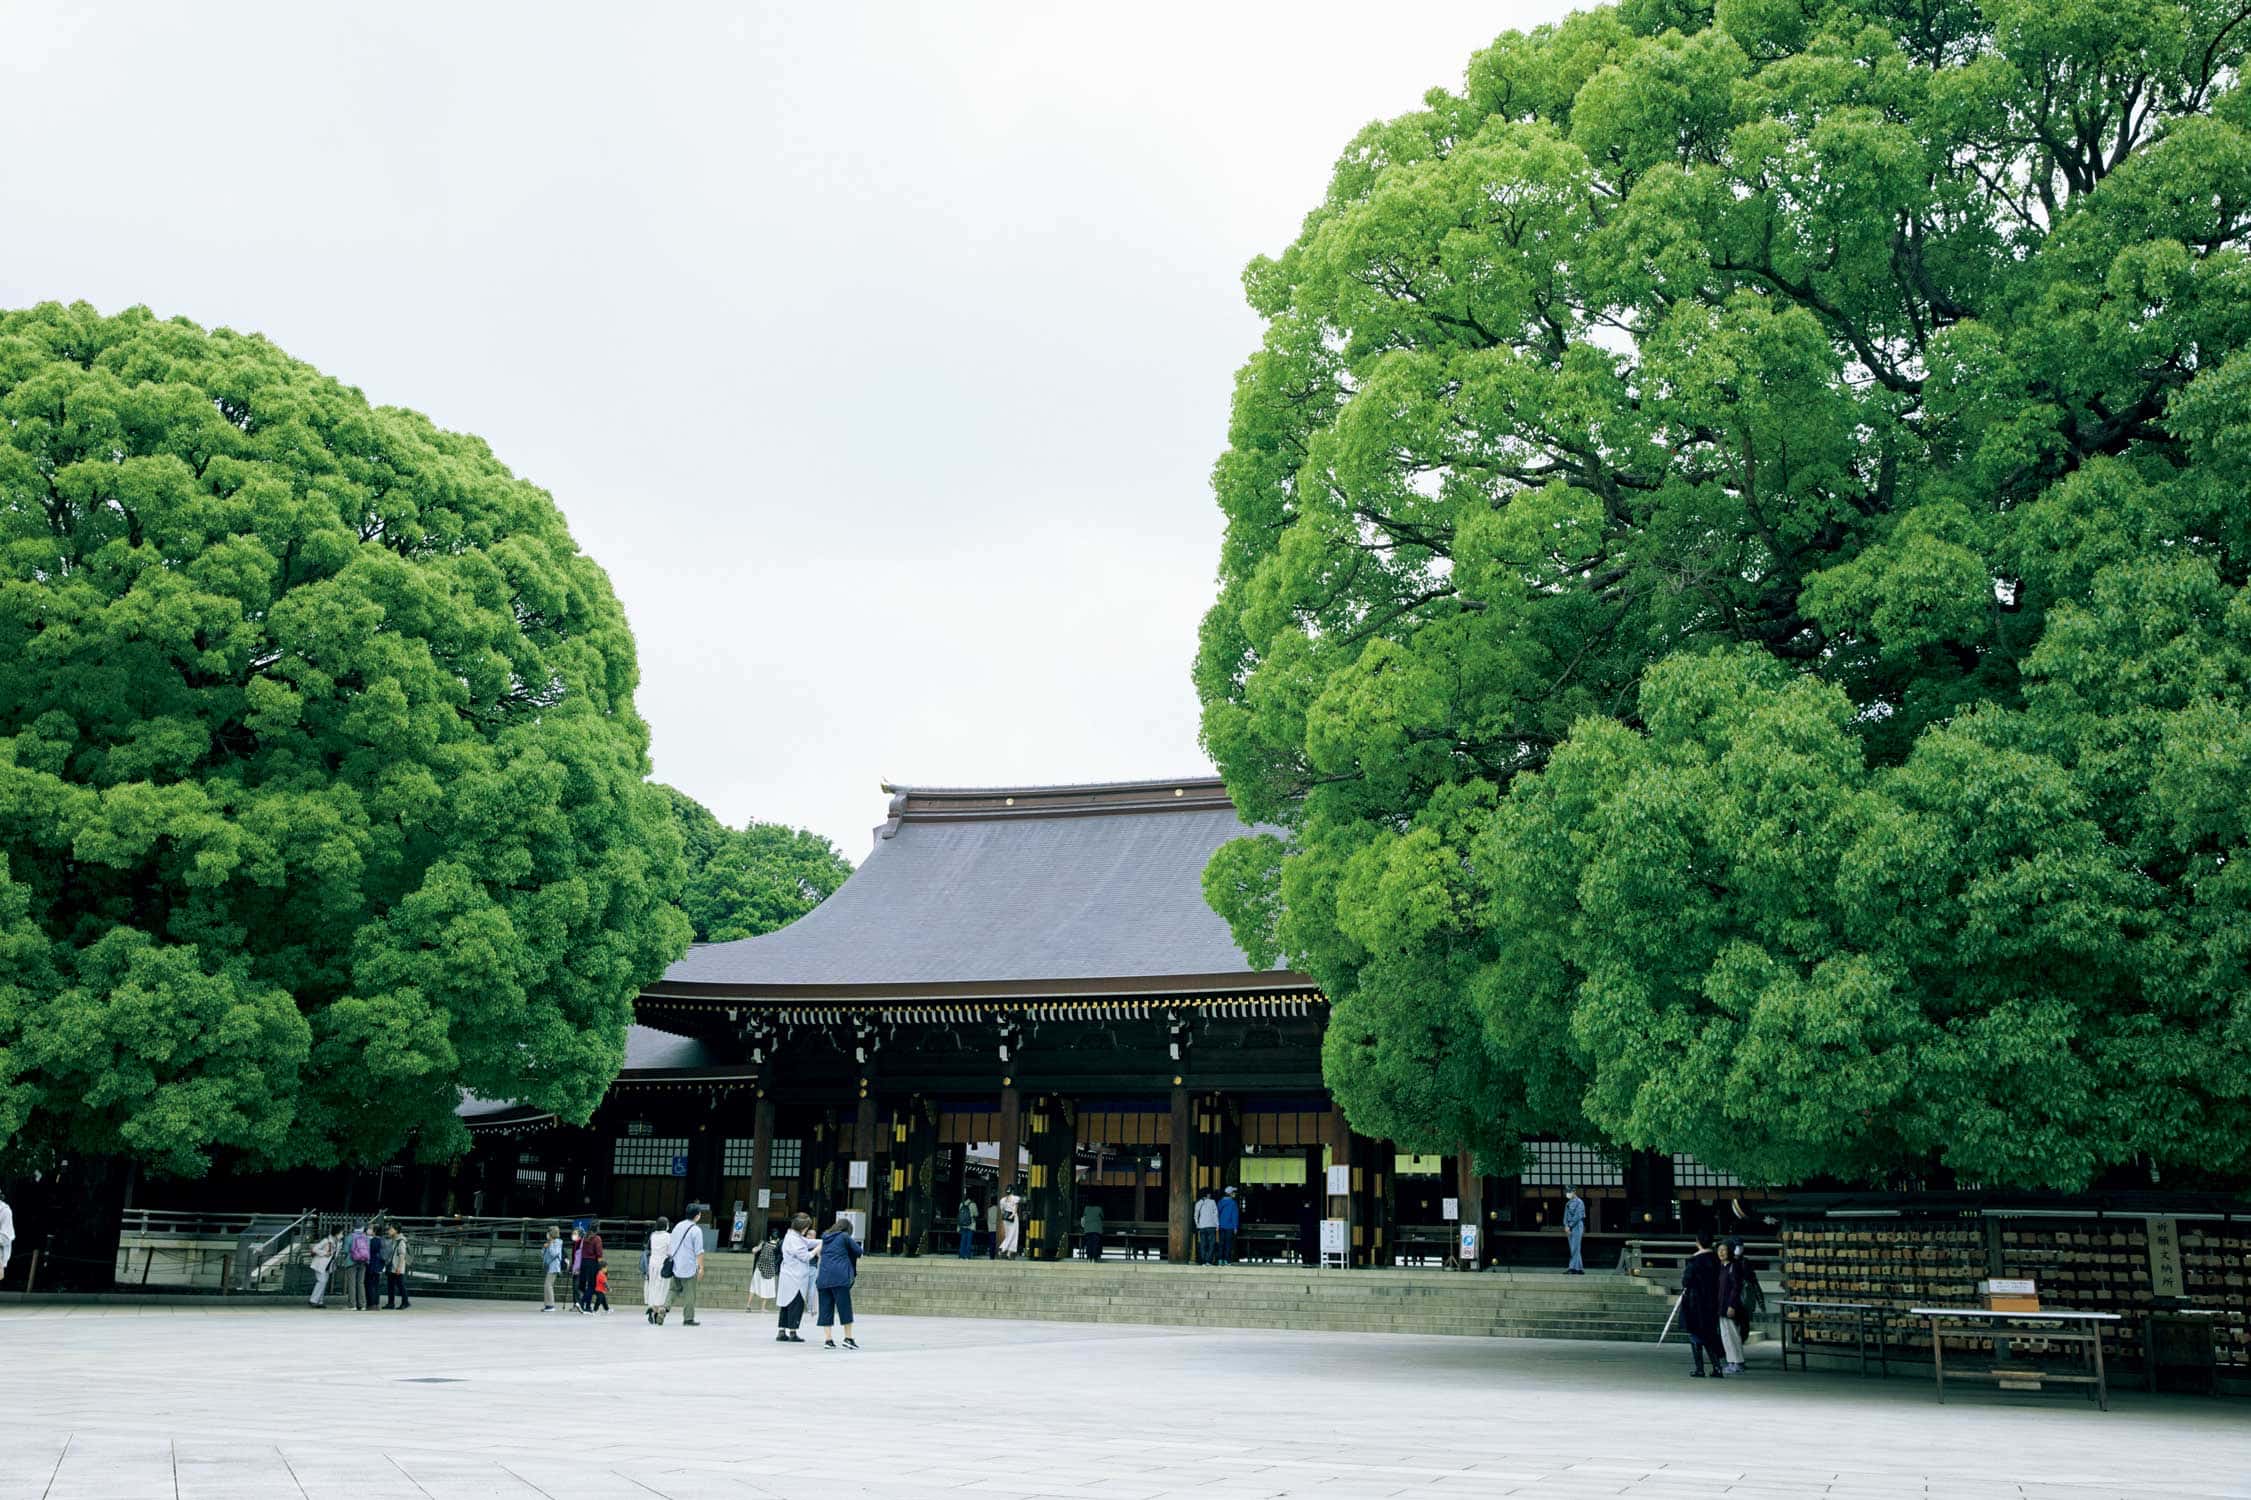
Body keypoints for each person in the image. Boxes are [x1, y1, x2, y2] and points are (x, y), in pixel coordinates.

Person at [1679, 1231, 1726, 1378]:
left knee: (1695, 1334)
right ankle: (1717, 1367)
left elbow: (1686, 1281)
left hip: (1696, 1302)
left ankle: (1700, 1368)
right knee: (1710, 1334)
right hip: (1713, 1301)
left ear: (1697, 1242)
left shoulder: (1694, 1261)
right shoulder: (1716, 1260)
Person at [816, 1212, 864, 1349]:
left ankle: (828, 1340)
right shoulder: (844, 1236)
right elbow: (859, 1251)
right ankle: (848, 1338)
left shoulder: (825, 1237)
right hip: (840, 1277)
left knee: (825, 1308)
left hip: (823, 1278)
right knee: (844, 1308)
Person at [1723, 1237, 1764, 1374]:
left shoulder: (1745, 1263)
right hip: (1732, 1301)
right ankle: (1734, 1359)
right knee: (1731, 1332)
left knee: (1741, 1331)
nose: (1739, 1248)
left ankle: (1736, 1359)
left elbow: (1753, 1282)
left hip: (1743, 1301)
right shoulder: (1726, 1263)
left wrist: (1760, 1301)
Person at [776, 1212, 818, 1342]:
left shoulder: (792, 1236)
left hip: (788, 1275)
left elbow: (808, 1242)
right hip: (796, 1277)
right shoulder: (794, 1239)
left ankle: (782, 1331)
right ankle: (793, 1332)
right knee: (795, 1303)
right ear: (803, 1227)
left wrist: (822, 1241)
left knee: (785, 1304)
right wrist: (817, 1249)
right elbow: (806, 1256)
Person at [669, 1202, 708, 1328]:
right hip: (689, 1266)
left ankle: (664, 1308)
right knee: (690, 1294)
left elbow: (671, 1244)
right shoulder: (696, 1230)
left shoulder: (678, 1226)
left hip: (676, 1265)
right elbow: (699, 1251)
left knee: (673, 1290)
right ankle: (688, 1318)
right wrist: (701, 1268)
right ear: (697, 1216)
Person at [1715, 1240, 1745, 1374]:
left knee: (1733, 1335)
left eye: (1724, 1250)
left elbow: (1736, 1288)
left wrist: (1732, 1305)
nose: (1721, 1252)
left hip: (1730, 1306)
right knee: (1726, 1336)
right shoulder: (1722, 1267)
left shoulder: (1734, 1266)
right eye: (1719, 1250)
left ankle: (1738, 1362)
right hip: (1722, 1306)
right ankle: (1731, 1361)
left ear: (1730, 1252)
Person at [644, 1216, 673, 1325]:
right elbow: (670, 1251)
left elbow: (649, 1249)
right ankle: (657, 1309)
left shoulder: (653, 1235)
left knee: (653, 1286)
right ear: (666, 1225)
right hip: (663, 1264)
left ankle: (652, 1307)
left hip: (652, 1264)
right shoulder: (668, 1236)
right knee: (662, 1288)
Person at [748, 1227, 782, 1311]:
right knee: (767, 1288)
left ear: (770, 1237)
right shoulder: (778, 1247)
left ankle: (748, 1305)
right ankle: (762, 1308)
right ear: (778, 1239)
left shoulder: (764, 1244)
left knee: (753, 1286)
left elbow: (754, 1251)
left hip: (759, 1268)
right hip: (770, 1270)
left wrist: (755, 1248)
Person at [576, 1224, 605, 1314]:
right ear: (597, 1229)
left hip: (583, 1262)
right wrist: (601, 1267)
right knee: (592, 1285)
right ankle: (581, 1303)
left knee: (586, 1285)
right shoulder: (597, 1238)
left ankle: (587, 1306)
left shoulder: (584, 1237)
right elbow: (599, 1253)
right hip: (592, 1263)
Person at [382, 1226, 411, 1310]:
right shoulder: (394, 1240)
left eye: (391, 1229)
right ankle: (391, 1303)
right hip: (392, 1266)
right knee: (390, 1286)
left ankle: (405, 1302)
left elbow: (402, 1255)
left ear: (396, 1230)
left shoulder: (401, 1241)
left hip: (397, 1267)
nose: (389, 1231)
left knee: (400, 1286)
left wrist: (399, 1267)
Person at [307, 1230, 337, 1308]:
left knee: (323, 1282)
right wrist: (325, 1253)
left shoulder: (337, 1242)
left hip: (327, 1265)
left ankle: (319, 1301)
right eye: (341, 1233)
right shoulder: (326, 1240)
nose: (342, 1235)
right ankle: (313, 1300)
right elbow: (315, 1249)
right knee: (321, 1281)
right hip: (320, 1264)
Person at [1563, 1187, 1587, 1275]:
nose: (1567, 1193)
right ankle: (1579, 1268)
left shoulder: (1579, 1202)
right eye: (1567, 1192)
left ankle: (1572, 1268)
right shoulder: (1568, 1203)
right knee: (1573, 1247)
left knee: (1575, 1248)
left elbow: (1578, 1216)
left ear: (1574, 1191)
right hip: (1569, 1227)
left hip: (1577, 1226)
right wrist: (1566, 1225)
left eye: (1569, 1192)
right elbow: (1565, 1215)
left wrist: (1569, 1225)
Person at [1193, 1188, 1219, 1266]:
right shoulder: (1212, 1202)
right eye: (1209, 1194)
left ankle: (1203, 1261)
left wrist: (1197, 1224)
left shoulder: (1198, 1203)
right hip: (1211, 1226)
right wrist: (1217, 1224)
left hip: (1202, 1226)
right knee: (1211, 1244)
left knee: (1203, 1244)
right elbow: (1215, 1214)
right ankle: (1208, 1261)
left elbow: (1196, 1215)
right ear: (1207, 1194)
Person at [540, 1227, 564, 1312]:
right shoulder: (549, 1242)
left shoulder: (557, 1242)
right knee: (547, 1285)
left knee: (548, 1285)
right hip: (549, 1266)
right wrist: (544, 1247)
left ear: (551, 1234)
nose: (547, 1234)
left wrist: (550, 1245)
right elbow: (542, 1254)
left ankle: (550, 1305)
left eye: (548, 1232)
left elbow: (554, 1253)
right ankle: (548, 1305)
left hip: (554, 1266)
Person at [360, 1224, 383, 1311]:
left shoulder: (372, 1241)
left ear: (375, 1231)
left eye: (371, 1229)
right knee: (376, 1286)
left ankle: (371, 1304)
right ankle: (377, 1304)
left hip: (371, 1265)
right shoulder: (382, 1240)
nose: (369, 1230)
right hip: (379, 1266)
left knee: (369, 1285)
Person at [997, 1183, 1024, 1259]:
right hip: (1013, 1218)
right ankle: (1002, 1248)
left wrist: (1006, 1216)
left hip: (1005, 1218)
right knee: (1013, 1235)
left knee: (1008, 1234)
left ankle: (1009, 1253)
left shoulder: (1002, 1200)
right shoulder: (1015, 1198)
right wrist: (1012, 1215)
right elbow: (1015, 1209)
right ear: (1012, 1191)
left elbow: (1002, 1210)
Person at [1216, 1186, 1241, 1266]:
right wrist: (1235, 1227)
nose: (1235, 1194)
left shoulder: (1220, 1202)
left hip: (1221, 1225)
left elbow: (1217, 1213)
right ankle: (1227, 1260)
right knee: (1228, 1244)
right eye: (1234, 1192)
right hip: (1230, 1226)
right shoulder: (1233, 1203)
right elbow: (1235, 1216)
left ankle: (1220, 1260)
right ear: (1230, 1193)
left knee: (1221, 1243)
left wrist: (1217, 1224)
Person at [957, 1194, 978, 1259]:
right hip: (971, 1225)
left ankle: (961, 1255)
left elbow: (959, 1214)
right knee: (969, 1241)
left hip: (962, 1225)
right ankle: (967, 1255)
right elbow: (976, 1214)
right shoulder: (973, 1204)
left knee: (963, 1240)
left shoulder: (961, 1204)